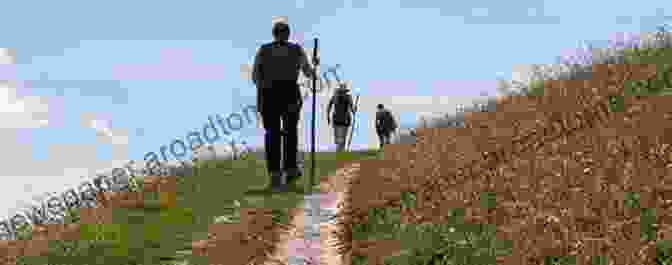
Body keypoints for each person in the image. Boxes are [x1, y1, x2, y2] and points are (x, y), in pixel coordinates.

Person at [252, 21, 318, 191]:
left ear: (273, 34)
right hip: (289, 94)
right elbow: (308, 73)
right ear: (288, 34)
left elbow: (255, 76)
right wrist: (314, 65)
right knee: (290, 133)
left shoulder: (264, 50)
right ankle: (290, 172)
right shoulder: (296, 50)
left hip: (269, 95)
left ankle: (275, 176)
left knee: (272, 134)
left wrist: (263, 91)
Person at [326, 84, 355, 152]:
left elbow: (328, 107)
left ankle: (340, 150)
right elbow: (352, 109)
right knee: (342, 136)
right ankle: (340, 149)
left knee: (339, 137)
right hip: (344, 119)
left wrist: (328, 116)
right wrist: (354, 110)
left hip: (337, 119)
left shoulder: (335, 97)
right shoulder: (347, 97)